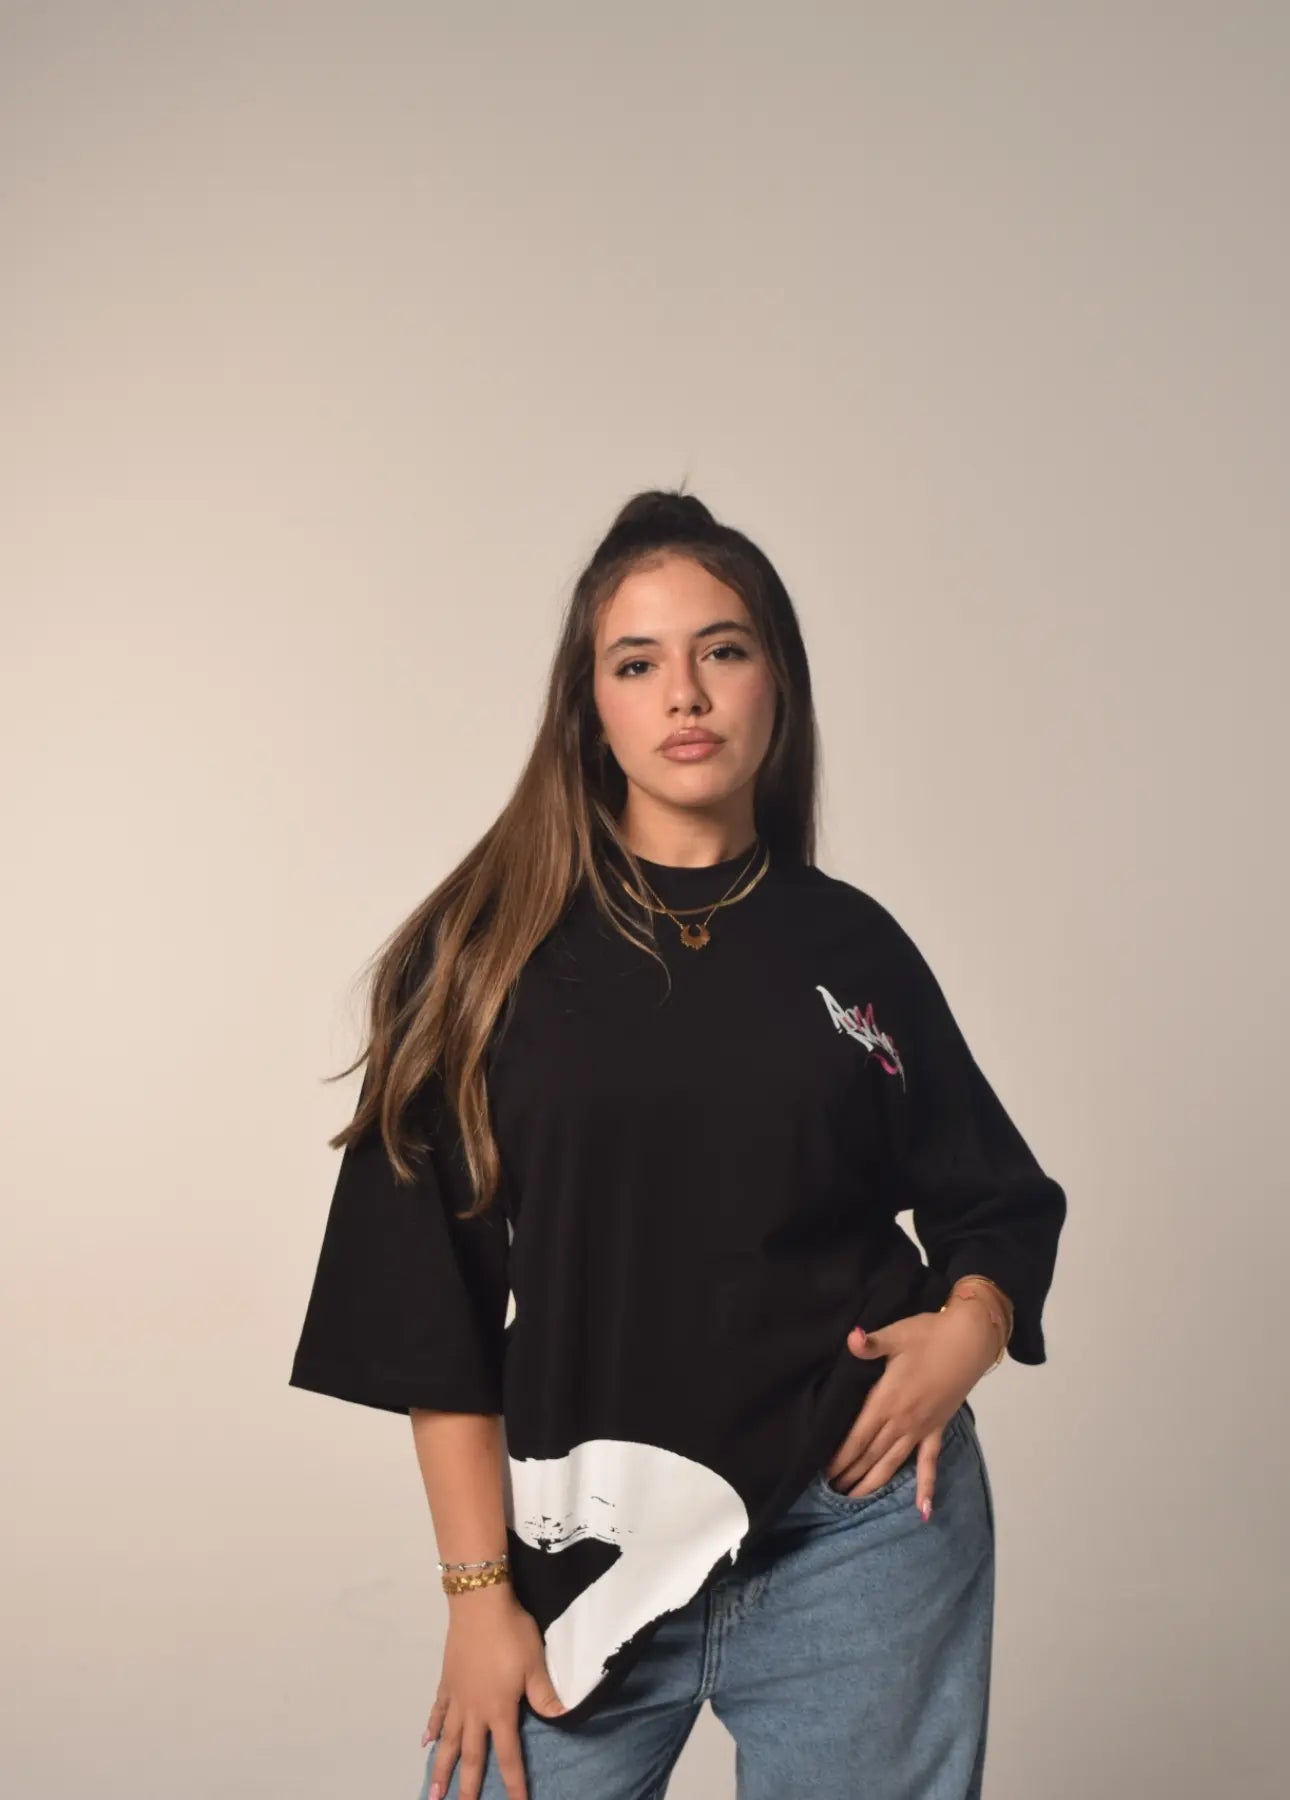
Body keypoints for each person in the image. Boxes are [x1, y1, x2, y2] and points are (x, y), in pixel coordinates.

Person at [289, 488, 1068, 1800]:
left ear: (777, 684)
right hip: (584, 1553)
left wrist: (970, 1329)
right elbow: (432, 1312)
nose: (686, 695)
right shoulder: (483, 959)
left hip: (859, 1528)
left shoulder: (852, 948)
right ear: (589, 708)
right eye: (637, 664)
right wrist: (478, 1598)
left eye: (723, 650)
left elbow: (994, 1193)